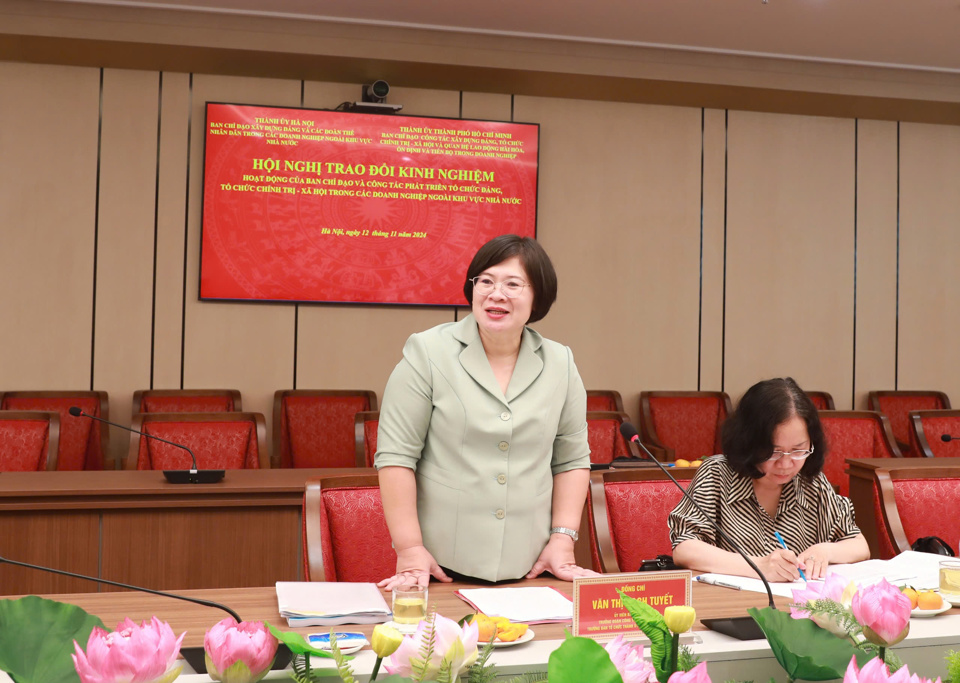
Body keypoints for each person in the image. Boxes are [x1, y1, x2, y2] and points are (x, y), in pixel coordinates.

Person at [375, 234, 594, 588]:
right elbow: (396, 457)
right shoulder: (427, 353)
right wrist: (410, 547)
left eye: (512, 284)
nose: (496, 294)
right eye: (486, 281)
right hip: (439, 567)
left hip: (534, 565)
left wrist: (562, 539)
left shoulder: (560, 362)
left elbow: (571, 459)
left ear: (538, 296)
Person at [668, 377, 870, 581]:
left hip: (795, 606)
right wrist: (759, 566)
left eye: (798, 450)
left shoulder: (811, 480)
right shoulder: (717, 474)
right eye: (773, 452)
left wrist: (825, 551)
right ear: (748, 443)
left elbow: (858, 544)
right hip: (731, 604)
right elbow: (685, 548)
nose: (786, 464)